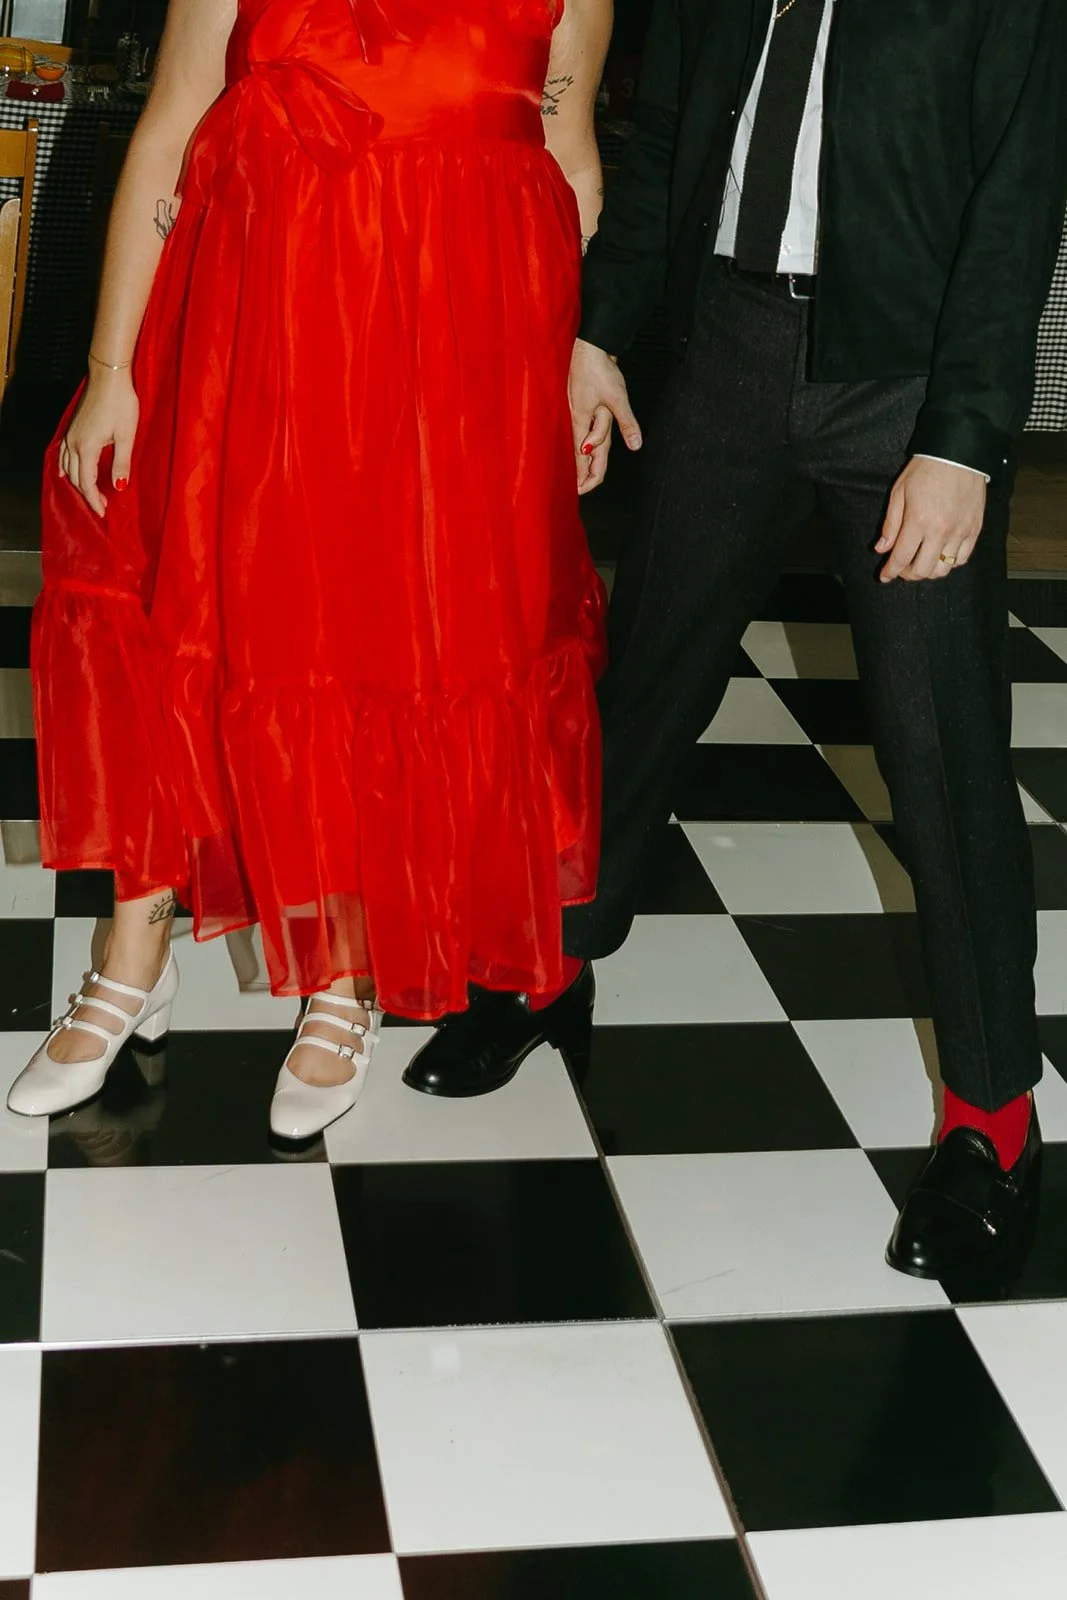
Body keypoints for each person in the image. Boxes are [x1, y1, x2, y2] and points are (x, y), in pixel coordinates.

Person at [406, 0, 1067, 1279]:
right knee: (643, 682)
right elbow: (661, 146)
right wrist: (597, 329)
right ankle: (555, 964)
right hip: (725, 348)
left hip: (903, 384)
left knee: (943, 762)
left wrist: (964, 436)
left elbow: (1016, 191)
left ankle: (993, 1118)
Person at [8, 0, 611, 1140]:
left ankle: (345, 971)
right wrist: (110, 368)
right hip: (252, 326)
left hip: (447, 358)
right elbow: (173, 120)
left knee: (378, 634)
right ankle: (131, 951)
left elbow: (568, 168)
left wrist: (579, 353)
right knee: (178, 612)